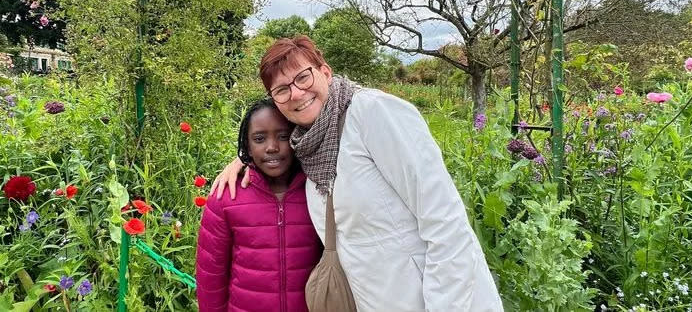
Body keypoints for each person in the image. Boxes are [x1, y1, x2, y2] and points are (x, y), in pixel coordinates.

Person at [211, 36, 503, 311]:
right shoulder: (309, 146)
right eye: (282, 89)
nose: (296, 93)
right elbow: (273, 152)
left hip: (436, 299)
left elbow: (444, 222)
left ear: (325, 72)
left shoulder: (373, 112)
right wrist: (243, 160)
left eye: (303, 76)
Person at [196, 99, 322, 312]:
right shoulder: (226, 198)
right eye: (259, 138)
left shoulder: (317, 191)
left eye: (283, 136)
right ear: (247, 145)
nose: (272, 147)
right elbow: (211, 277)